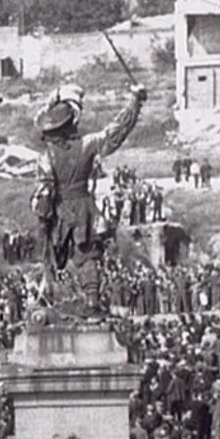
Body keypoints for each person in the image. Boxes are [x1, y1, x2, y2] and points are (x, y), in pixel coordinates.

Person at [29, 81, 147, 315]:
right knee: (88, 255)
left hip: (60, 208)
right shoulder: (87, 144)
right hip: (85, 207)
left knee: (54, 255)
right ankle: (91, 299)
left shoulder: (46, 156)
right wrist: (135, 103)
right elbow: (115, 132)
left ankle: (55, 295)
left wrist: (43, 218)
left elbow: (44, 192)